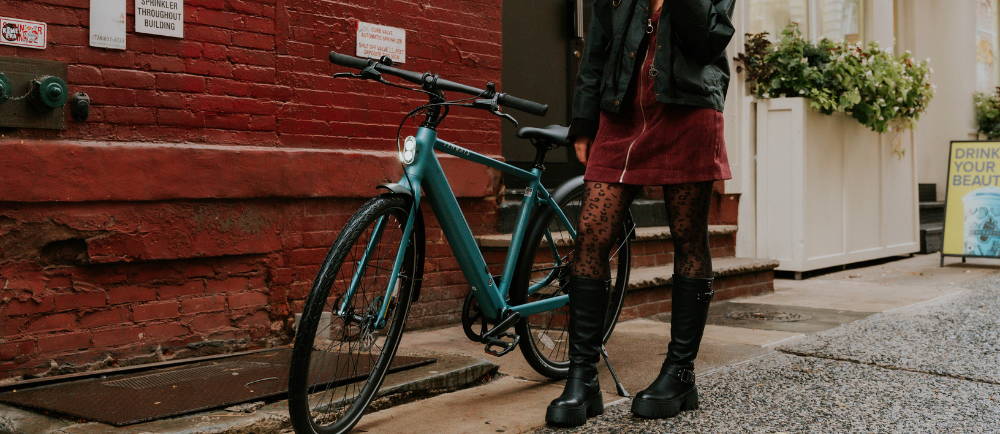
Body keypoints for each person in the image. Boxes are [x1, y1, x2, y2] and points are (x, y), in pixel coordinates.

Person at [544, 0, 736, 427]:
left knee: (688, 239)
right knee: (591, 235)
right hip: (620, 115)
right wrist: (583, 119)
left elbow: (706, 42)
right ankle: (582, 379)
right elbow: (597, 48)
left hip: (688, 112)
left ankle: (679, 375)